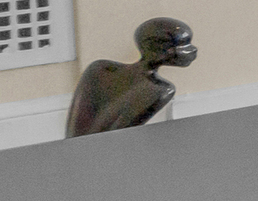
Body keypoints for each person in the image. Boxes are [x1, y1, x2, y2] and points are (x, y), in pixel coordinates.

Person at [63, 19, 196, 137]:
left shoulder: (99, 68)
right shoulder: (160, 90)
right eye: (183, 45)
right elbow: (107, 138)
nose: (193, 50)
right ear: (156, 48)